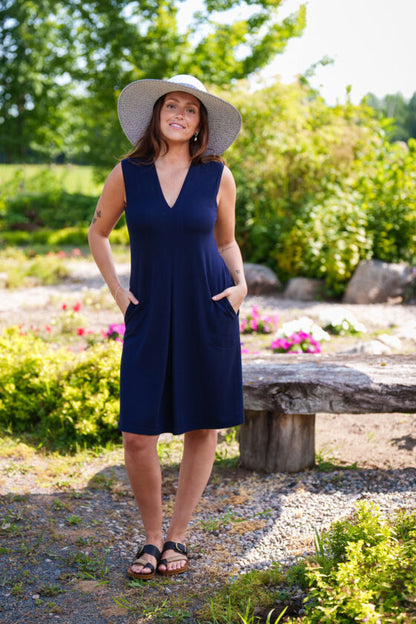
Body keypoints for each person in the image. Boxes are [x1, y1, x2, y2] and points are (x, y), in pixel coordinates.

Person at [88, 74, 247, 579]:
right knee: (138, 432)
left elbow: (226, 242)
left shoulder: (217, 174)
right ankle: (150, 538)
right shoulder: (128, 172)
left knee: (202, 424)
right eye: (171, 106)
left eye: (191, 109)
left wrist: (241, 284)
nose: (180, 114)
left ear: (201, 123)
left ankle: (177, 536)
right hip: (150, 308)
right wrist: (118, 291)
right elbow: (98, 231)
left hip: (207, 304)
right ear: (157, 115)